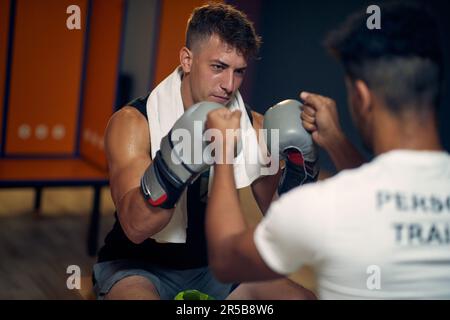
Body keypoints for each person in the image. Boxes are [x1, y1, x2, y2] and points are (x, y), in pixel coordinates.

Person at [205, 2, 450, 299]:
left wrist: (222, 152)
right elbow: (381, 192)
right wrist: (336, 140)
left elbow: (227, 259)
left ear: (361, 97)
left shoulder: (323, 206)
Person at [93, 3, 319, 300]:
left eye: (239, 72)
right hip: (137, 267)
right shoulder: (134, 123)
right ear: (187, 60)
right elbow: (136, 227)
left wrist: (299, 175)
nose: (228, 85)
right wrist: (174, 165)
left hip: (212, 267)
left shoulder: (254, 127)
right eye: (218, 67)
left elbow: (280, 221)